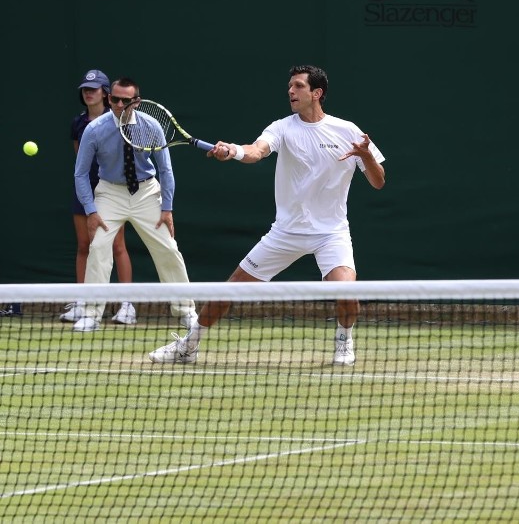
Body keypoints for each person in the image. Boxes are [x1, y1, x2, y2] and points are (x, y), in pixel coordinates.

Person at [148, 64, 386, 366]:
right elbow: (256, 151)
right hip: (286, 231)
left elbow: (378, 182)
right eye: (290, 86)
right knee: (231, 290)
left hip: (331, 233)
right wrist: (233, 150)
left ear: (317, 93)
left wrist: (365, 155)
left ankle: (344, 339)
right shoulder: (282, 127)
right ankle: (188, 346)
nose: (291, 91)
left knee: (347, 294)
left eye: (298, 86)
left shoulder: (348, 130)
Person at [72, 77, 196, 332]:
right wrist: (91, 211)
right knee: (98, 248)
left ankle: (186, 311)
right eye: (114, 99)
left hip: (147, 193)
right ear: (108, 98)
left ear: (136, 102)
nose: (118, 104)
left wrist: (167, 208)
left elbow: (166, 170)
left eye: (125, 100)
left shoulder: (152, 126)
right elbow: (80, 174)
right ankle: (90, 315)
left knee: (169, 249)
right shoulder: (94, 129)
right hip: (109, 192)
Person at [60, 69, 136, 325]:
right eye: (85, 89)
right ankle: (83, 301)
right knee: (84, 245)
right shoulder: (78, 123)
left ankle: (127, 305)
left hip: (112, 188)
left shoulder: (116, 118)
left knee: (116, 246)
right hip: (84, 189)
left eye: (94, 89)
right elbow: (80, 159)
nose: (88, 93)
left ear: (105, 93)